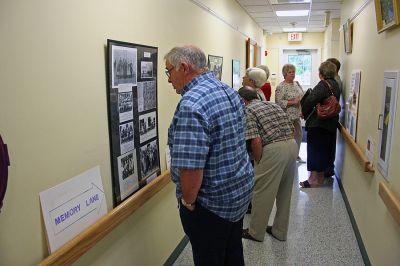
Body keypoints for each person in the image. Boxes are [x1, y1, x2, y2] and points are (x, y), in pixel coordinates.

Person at [164, 45, 254, 265]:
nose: (168, 79)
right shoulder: (227, 91)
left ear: (184, 67)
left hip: (210, 206)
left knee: (209, 258)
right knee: (232, 253)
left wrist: (188, 202)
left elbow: (192, 168)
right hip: (237, 195)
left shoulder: (191, 105)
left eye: (169, 71)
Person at [238, 86, 297, 242]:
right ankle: (279, 231)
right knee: (285, 193)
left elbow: (256, 140)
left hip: (273, 150)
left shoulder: (248, 110)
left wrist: (259, 162)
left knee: (262, 192)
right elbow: (292, 129)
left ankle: (255, 232)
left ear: (243, 100)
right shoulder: (273, 104)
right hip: (292, 146)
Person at [300, 61, 341, 188]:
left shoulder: (323, 85)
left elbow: (310, 100)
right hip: (330, 123)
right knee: (322, 151)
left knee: (314, 151)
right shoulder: (336, 84)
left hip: (318, 124)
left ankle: (314, 181)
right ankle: (319, 178)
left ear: (321, 73)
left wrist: (303, 112)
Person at [275, 64, 305, 163]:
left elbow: (302, 96)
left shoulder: (297, 84)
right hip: (287, 116)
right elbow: (279, 102)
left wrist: (302, 110)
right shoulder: (281, 86)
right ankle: (288, 157)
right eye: (290, 72)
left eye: (293, 72)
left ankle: (296, 155)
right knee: (288, 137)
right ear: (285, 74)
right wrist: (293, 102)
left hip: (297, 115)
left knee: (299, 135)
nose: (292, 74)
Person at [325, 58, 343, 177]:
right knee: (330, 145)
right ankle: (329, 168)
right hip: (332, 117)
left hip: (329, 118)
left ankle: (328, 169)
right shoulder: (336, 80)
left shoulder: (334, 82)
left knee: (329, 145)